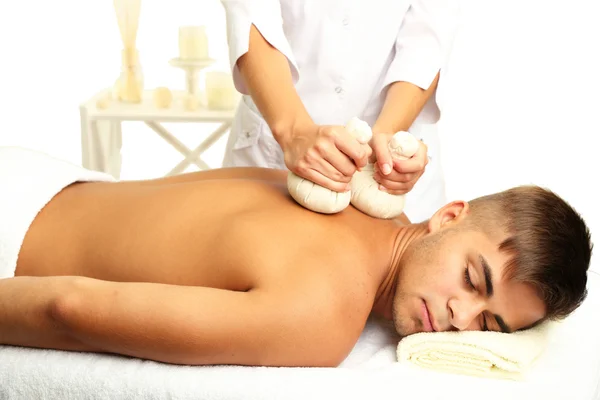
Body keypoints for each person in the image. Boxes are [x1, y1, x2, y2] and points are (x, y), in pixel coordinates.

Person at [0, 147, 592, 368]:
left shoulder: (339, 181)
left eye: (488, 324)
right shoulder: (323, 316)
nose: (461, 318)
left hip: (42, 175)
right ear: (449, 215)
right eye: (472, 279)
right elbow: (68, 308)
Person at [219, 0, 460, 223]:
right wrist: (294, 132)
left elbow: (427, 42)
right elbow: (253, 14)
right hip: (273, 147)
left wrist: (389, 133)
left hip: (394, 160)